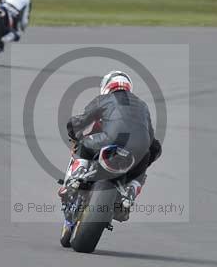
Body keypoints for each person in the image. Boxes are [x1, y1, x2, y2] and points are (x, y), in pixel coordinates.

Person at [59, 71, 162, 222]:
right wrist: (146, 159)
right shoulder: (143, 106)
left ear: (106, 86)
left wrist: (73, 132)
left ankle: (77, 176)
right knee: (143, 165)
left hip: (110, 141)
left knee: (84, 144)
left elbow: (81, 121)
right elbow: (153, 141)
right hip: (140, 149)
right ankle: (129, 193)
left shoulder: (104, 99)